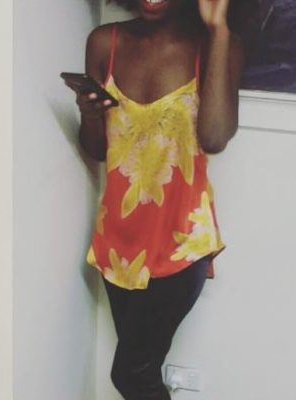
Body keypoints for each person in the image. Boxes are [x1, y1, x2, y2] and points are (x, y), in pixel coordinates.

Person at [70, 0, 244, 398]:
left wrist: (218, 28)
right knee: (143, 373)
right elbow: (97, 151)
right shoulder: (104, 42)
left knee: (130, 375)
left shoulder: (220, 44)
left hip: (182, 244)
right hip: (118, 244)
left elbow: (215, 137)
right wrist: (90, 113)